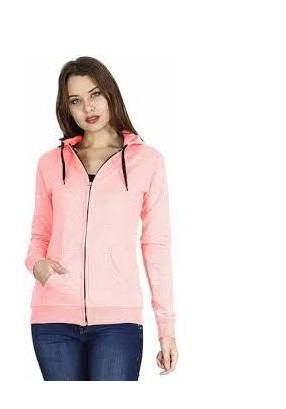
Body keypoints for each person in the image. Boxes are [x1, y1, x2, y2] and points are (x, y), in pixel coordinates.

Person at [25, 56, 179, 380]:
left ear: (110, 94)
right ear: (67, 108)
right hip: (53, 320)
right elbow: (40, 234)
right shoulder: (50, 163)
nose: (88, 107)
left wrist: (166, 329)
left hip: (117, 323)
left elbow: (156, 245)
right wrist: (36, 264)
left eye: (95, 94)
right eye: (76, 100)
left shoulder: (147, 161)